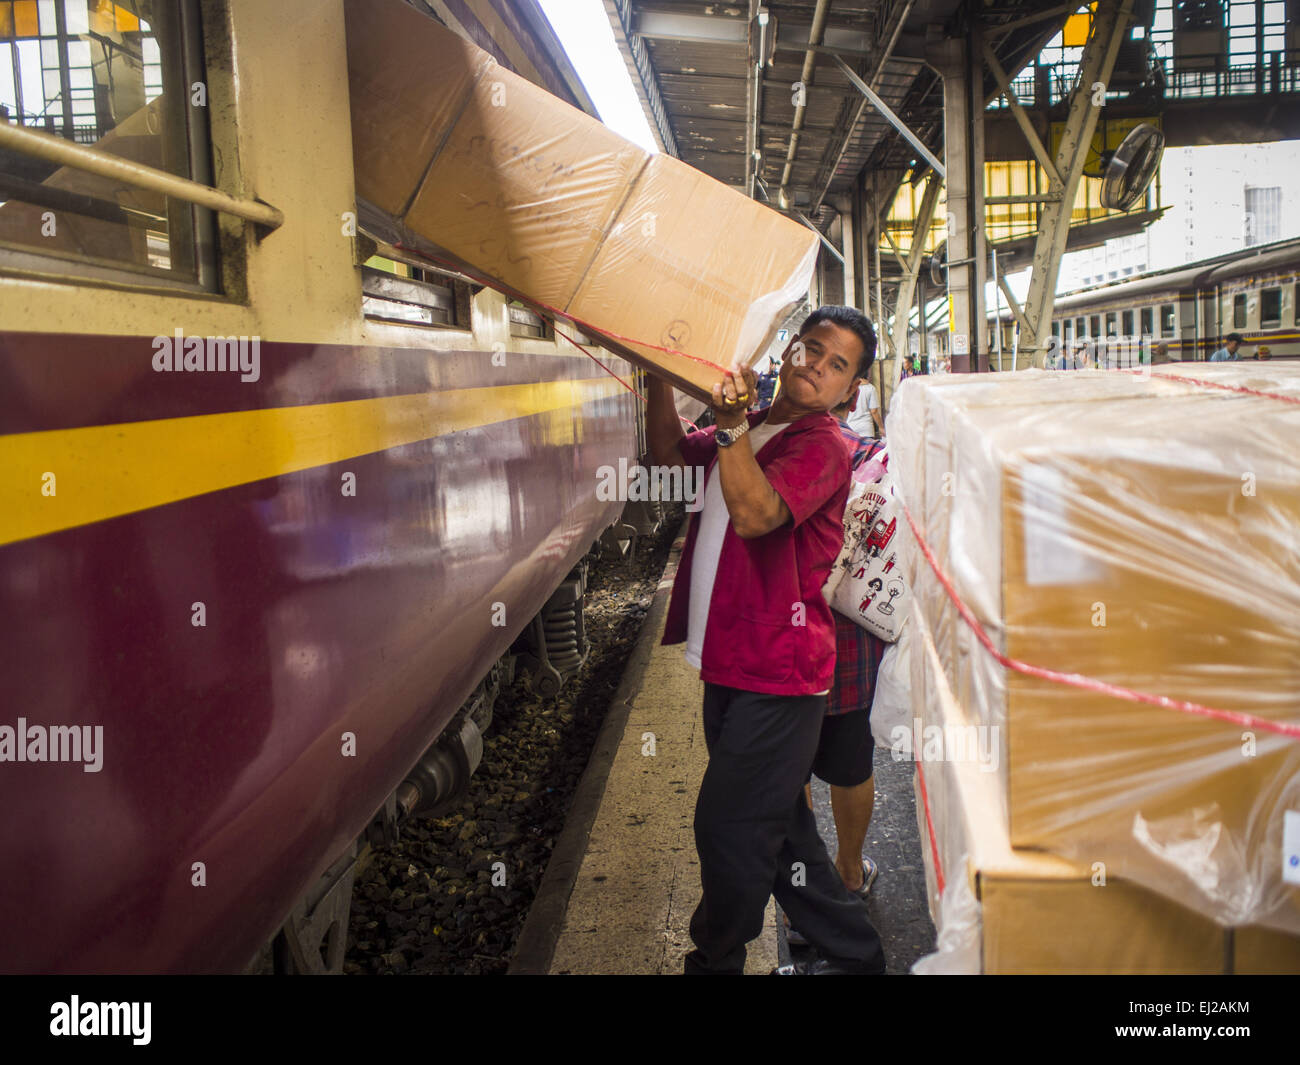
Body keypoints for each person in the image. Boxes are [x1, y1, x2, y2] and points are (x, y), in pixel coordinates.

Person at [647, 305, 887, 976]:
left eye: (836, 362)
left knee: (727, 830)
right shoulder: (757, 425)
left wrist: (728, 430)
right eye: (810, 347)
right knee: (779, 835)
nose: (815, 363)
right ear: (788, 350)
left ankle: (714, 960)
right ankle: (857, 955)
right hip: (728, 663)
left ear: (851, 391)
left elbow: (756, 515)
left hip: (779, 679)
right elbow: (667, 455)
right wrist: (657, 375)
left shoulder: (821, 445)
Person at [786, 395, 887, 953]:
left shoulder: (771, 451)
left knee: (790, 764)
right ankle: (849, 874)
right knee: (850, 761)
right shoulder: (871, 454)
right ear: (853, 397)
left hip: (787, 630)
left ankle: (808, 892)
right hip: (850, 630)